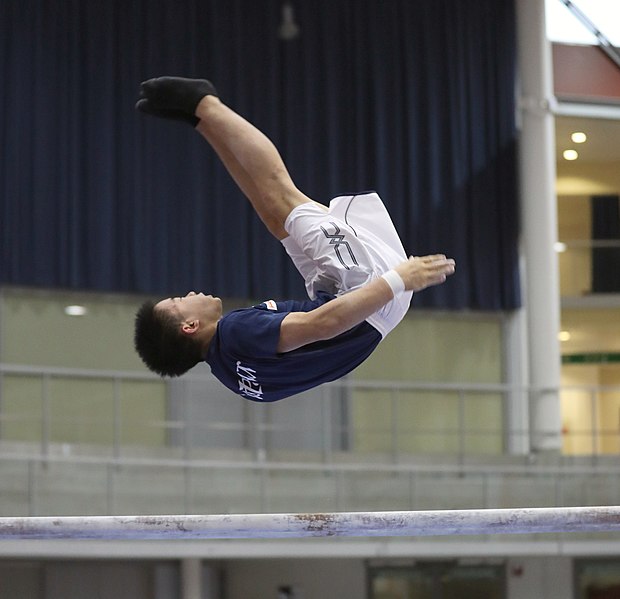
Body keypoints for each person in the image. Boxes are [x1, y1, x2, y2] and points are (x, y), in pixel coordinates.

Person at [134, 77, 455, 402]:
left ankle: (202, 121)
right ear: (189, 326)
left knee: (277, 218)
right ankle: (204, 103)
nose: (187, 293)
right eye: (178, 301)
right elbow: (324, 324)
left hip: (355, 310)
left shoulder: (231, 373)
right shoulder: (234, 333)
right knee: (284, 194)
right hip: (366, 296)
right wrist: (398, 280)